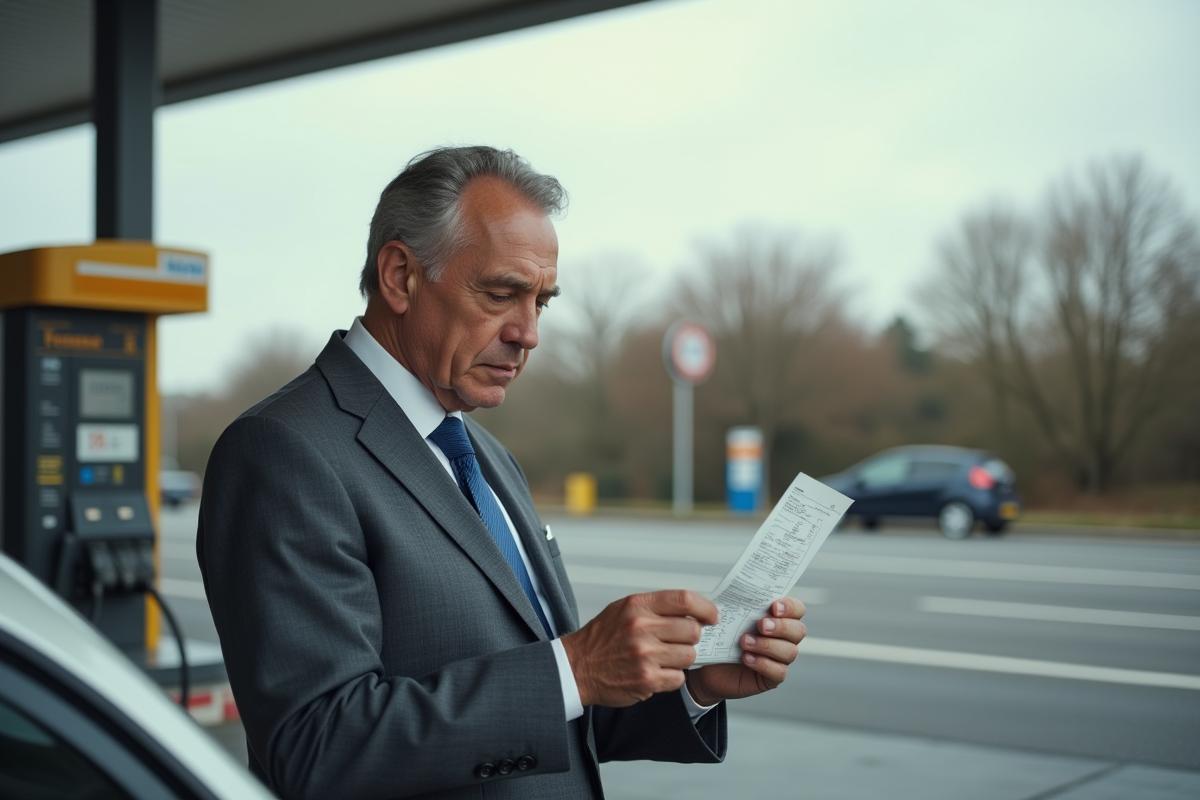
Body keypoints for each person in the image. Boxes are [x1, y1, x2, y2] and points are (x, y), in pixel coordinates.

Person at [197, 146, 807, 800]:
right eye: (501, 293)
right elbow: (315, 748)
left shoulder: (486, 456)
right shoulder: (283, 451)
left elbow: (556, 715)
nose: (529, 332)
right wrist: (573, 667)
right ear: (400, 275)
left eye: (542, 301)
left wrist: (691, 683)